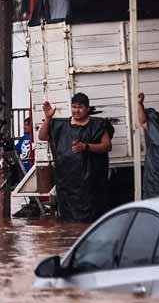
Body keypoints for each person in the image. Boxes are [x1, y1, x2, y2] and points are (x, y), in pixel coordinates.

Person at [38, 93, 113, 222]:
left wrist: (86, 147)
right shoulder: (60, 125)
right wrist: (48, 118)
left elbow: (107, 146)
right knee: (68, 223)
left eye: (80, 107)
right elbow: (42, 136)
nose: (76, 110)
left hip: (91, 184)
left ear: (87, 109)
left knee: (93, 220)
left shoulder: (98, 124)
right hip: (67, 185)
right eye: (74, 107)